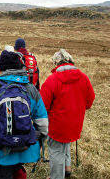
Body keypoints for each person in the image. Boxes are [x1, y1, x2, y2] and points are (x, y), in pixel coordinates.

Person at [0, 50, 48, 179]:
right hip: (26, 146)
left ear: (0, 70)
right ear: (20, 68)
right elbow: (43, 122)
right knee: (17, 168)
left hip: (0, 147)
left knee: (3, 172)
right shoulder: (31, 89)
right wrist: (40, 139)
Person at [40, 49, 95, 179]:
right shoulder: (83, 77)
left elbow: (43, 106)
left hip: (57, 124)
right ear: (70, 61)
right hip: (75, 122)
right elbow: (90, 100)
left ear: (56, 63)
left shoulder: (52, 80)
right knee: (66, 143)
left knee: (56, 150)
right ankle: (67, 168)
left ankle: (56, 177)